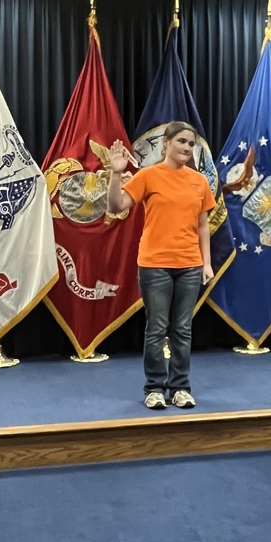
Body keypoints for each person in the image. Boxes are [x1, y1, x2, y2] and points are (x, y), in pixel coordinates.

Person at [108, 121, 214, 409]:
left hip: (190, 265)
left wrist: (207, 263)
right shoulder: (148, 176)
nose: (187, 148)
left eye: (191, 144)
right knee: (156, 329)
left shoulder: (200, 182)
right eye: (181, 141)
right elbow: (116, 207)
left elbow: (203, 225)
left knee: (182, 329)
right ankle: (155, 388)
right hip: (155, 265)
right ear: (166, 144)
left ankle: (180, 388)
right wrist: (116, 174)